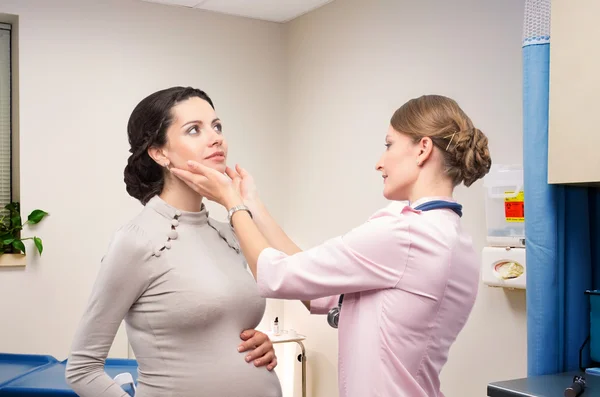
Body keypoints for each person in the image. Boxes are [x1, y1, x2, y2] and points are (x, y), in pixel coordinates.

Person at [170, 94, 492, 397]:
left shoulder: (403, 233)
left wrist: (231, 201)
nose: (379, 163)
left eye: (388, 145)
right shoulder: (454, 239)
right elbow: (315, 287)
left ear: (422, 149)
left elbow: (277, 275)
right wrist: (253, 205)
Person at [66, 87, 282, 397]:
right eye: (195, 129)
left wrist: (256, 346)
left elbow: (217, 334)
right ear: (159, 152)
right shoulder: (136, 241)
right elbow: (82, 369)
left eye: (217, 126)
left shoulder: (231, 233)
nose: (216, 137)